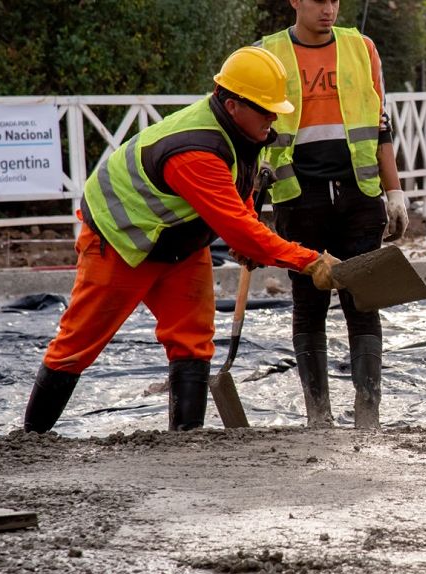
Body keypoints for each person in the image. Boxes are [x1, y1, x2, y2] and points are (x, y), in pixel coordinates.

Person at [23, 46, 344, 434]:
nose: (273, 117)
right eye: (264, 109)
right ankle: (30, 440)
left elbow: (237, 195)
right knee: (78, 344)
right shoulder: (196, 151)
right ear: (231, 104)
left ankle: (185, 442)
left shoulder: (240, 133)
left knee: (193, 340)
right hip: (121, 240)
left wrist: (248, 230)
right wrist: (308, 261)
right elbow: (237, 226)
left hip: (179, 241)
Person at [259, 0, 410, 429]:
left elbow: (380, 126)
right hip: (298, 199)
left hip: (359, 196)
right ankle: (318, 416)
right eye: (317, 0)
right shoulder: (268, 54)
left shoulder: (361, 48)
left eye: (334, 0)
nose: (328, 9)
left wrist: (395, 191)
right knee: (309, 304)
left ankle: (367, 416)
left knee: (363, 301)